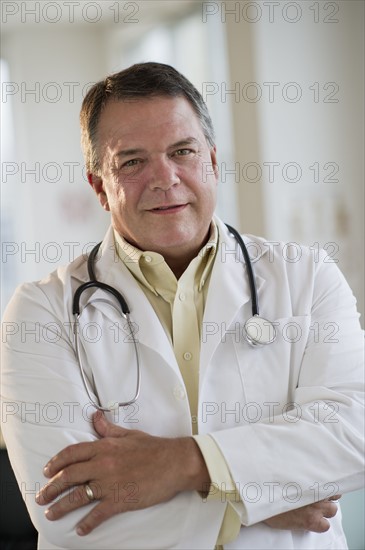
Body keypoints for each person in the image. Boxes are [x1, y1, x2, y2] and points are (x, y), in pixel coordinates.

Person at [1, 62, 363, 550]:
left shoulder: (307, 276)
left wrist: (184, 465)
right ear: (98, 187)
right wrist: (265, 491)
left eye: (182, 152)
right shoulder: (41, 312)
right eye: (131, 161)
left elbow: (353, 435)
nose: (164, 178)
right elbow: (67, 514)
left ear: (212, 160)